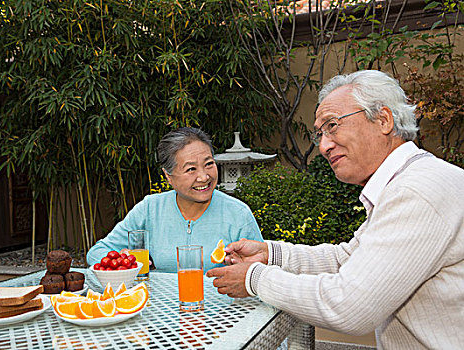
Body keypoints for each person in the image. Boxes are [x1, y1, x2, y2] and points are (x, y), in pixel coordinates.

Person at [207, 70, 464, 349]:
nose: (324, 145)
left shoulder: (415, 191)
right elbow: (348, 259)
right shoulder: (407, 181)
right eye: (320, 133)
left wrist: (254, 279)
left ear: (383, 120)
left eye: (332, 125)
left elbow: (350, 306)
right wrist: (271, 254)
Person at [87, 127, 263, 272]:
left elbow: (261, 269)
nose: (204, 177)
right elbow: (96, 253)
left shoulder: (238, 213)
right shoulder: (151, 208)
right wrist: (122, 261)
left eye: (209, 164)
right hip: (161, 306)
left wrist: (246, 269)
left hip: (222, 309)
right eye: (191, 169)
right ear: (168, 176)